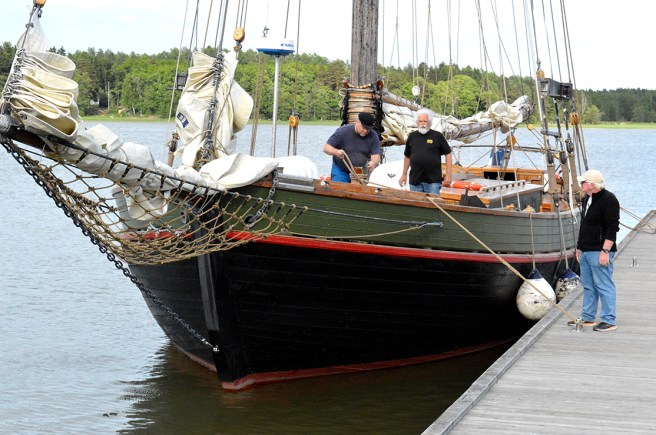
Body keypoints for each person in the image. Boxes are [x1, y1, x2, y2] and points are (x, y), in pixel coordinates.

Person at [567, 169, 620, 332]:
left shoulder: (609, 199)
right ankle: (588, 317)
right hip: (586, 250)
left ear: (591, 184)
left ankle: (609, 320)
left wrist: (605, 251)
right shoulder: (587, 199)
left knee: (604, 285)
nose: (580, 184)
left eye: (583, 182)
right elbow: (584, 225)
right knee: (589, 285)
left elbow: (612, 227)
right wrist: (579, 247)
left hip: (599, 250)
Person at [398, 109, 452, 194]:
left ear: (429, 122)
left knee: (433, 202)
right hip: (415, 180)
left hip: (433, 181)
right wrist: (404, 174)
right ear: (417, 122)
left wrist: (448, 174)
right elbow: (407, 156)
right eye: (420, 121)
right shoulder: (412, 136)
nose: (422, 123)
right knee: (416, 203)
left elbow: (448, 153)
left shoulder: (437, 136)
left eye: (425, 121)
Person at [323, 112, 381, 183]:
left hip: (359, 173)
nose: (366, 131)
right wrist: (336, 152)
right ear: (357, 122)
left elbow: (376, 155)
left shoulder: (373, 136)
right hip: (341, 170)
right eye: (364, 127)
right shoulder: (342, 131)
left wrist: (373, 162)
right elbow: (326, 148)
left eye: (368, 129)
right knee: (340, 185)